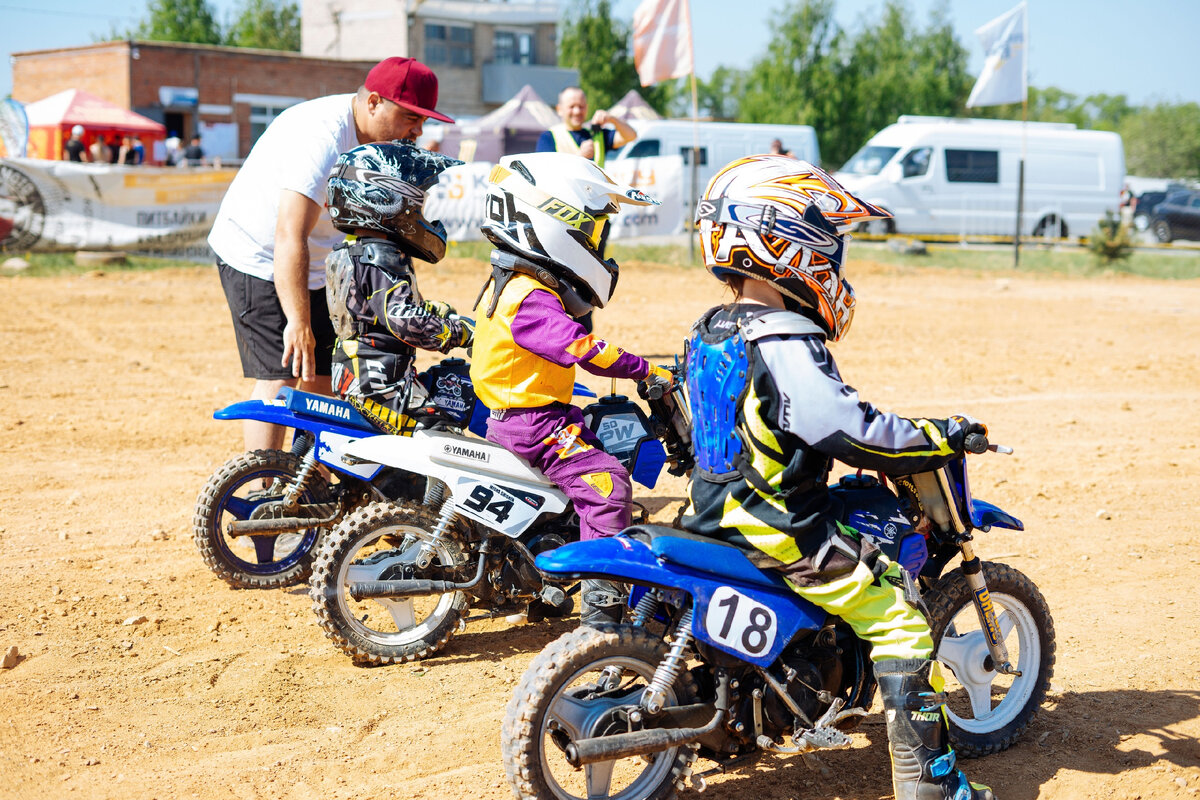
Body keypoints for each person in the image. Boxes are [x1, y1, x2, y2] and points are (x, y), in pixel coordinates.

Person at [682, 155, 995, 800]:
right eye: (831, 245)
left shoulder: (710, 330)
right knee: (902, 619)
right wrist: (934, 435)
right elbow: (847, 429)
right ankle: (930, 785)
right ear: (788, 244)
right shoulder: (785, 337)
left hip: (712, 513)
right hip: (778, 531)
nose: (836, 262)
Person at [208, 55, 453, 454]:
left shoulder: (379, 140)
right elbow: (288, 235)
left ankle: (306, 481)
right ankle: (261, 489)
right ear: (374, 102)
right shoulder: (322, 137)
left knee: (323, 376)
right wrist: (298, 320)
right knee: (284, 370)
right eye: (411, 116)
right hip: (260, 253)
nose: (419, 130)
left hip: (317, 260)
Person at [470, 152, 672, 626]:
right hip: (536, 425)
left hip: (518, 417)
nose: (597, 245)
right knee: (606, 486)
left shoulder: (510, 283)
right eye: (592, 233)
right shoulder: (532, 298)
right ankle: (604, 612)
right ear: (556, 224)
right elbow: (582, 347)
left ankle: (549, 586)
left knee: (569, 492)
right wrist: (643, 369)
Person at [324, 140, 473, 432]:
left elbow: (375, 310)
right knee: (444, 435)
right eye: (418, 203)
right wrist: (461, 333)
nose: (421, 212)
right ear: (387, 199)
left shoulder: (352, 249)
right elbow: (404, 320)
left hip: (353, 373)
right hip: (381, 384)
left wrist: (437, 310)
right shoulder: (382, 255)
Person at [535, 86, 637, 169]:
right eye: (572, 106)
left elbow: (631, 136)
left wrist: (613, 119)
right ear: (559, 109)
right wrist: (579, 157)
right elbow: (545, 171)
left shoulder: (596, 134)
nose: (577, 111)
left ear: (586, 108)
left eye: (581, 106)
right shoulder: (549, 137)